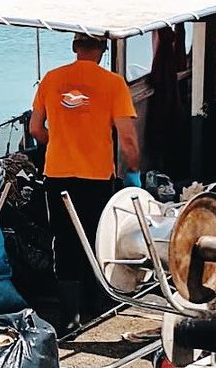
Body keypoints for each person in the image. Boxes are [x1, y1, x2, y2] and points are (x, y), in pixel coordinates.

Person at [29, 33, 140, 330]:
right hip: (96, 177)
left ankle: (69, 316)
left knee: (64, 241)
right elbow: (127, 137)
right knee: (97, 236)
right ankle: (97, 303)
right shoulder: (114, 84)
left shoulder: (51, 79)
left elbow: (35, 129)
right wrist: (134, 170)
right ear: (103, 50)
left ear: (75, 47)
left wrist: (60, 142)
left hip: (57, 175)